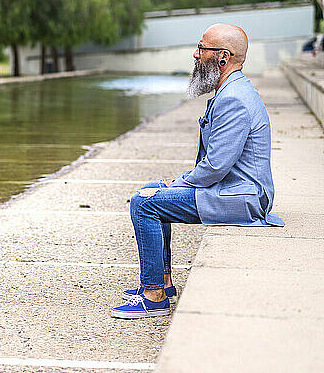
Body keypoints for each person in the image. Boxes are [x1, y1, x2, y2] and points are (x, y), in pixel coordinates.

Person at [111, 24, 284, 319]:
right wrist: (170, 185)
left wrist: (174, 184)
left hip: (240, 198)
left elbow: (215, 166)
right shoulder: (233, 89)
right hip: (234, 190)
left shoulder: (233, 99)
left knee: (145, 204)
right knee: (151, 191)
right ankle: (162, 284)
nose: (195, 53)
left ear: (223, 57)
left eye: (202, 48)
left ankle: (153, 297)